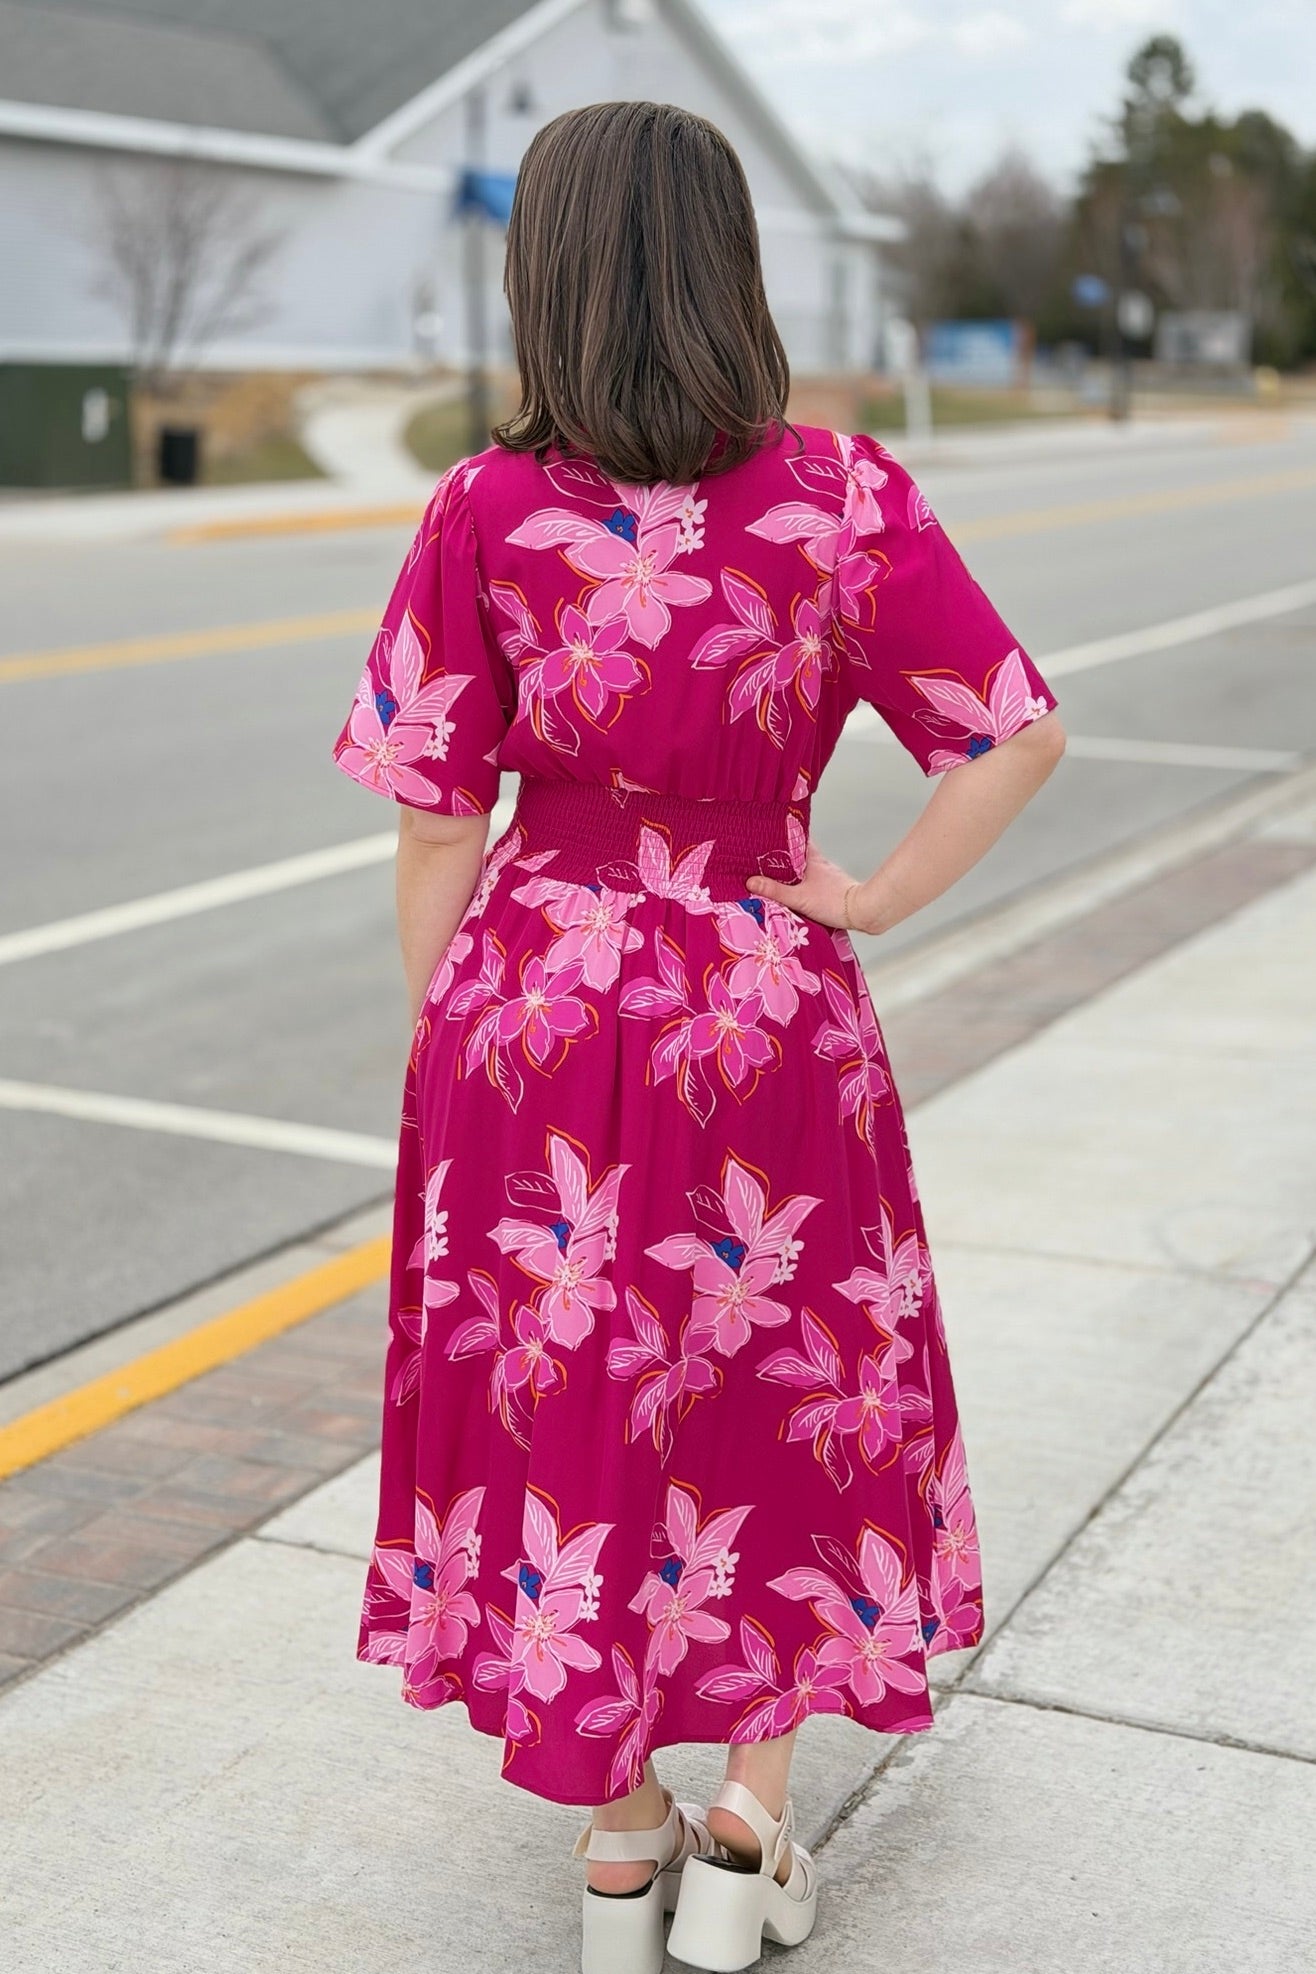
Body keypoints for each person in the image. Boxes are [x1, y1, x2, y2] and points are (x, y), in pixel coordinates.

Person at [332, 99, 1064, 1974]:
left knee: (577, 1404)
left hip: (538, 1006)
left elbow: (435, 816)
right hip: (766, 998)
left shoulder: (485, 509)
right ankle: (748, 1825)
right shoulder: (843, 493)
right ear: (733, 268)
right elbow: (1014, 732)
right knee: (773, 1391)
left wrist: (453, 1027)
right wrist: (875, 898)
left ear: (549, 276)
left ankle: (617, 1839)